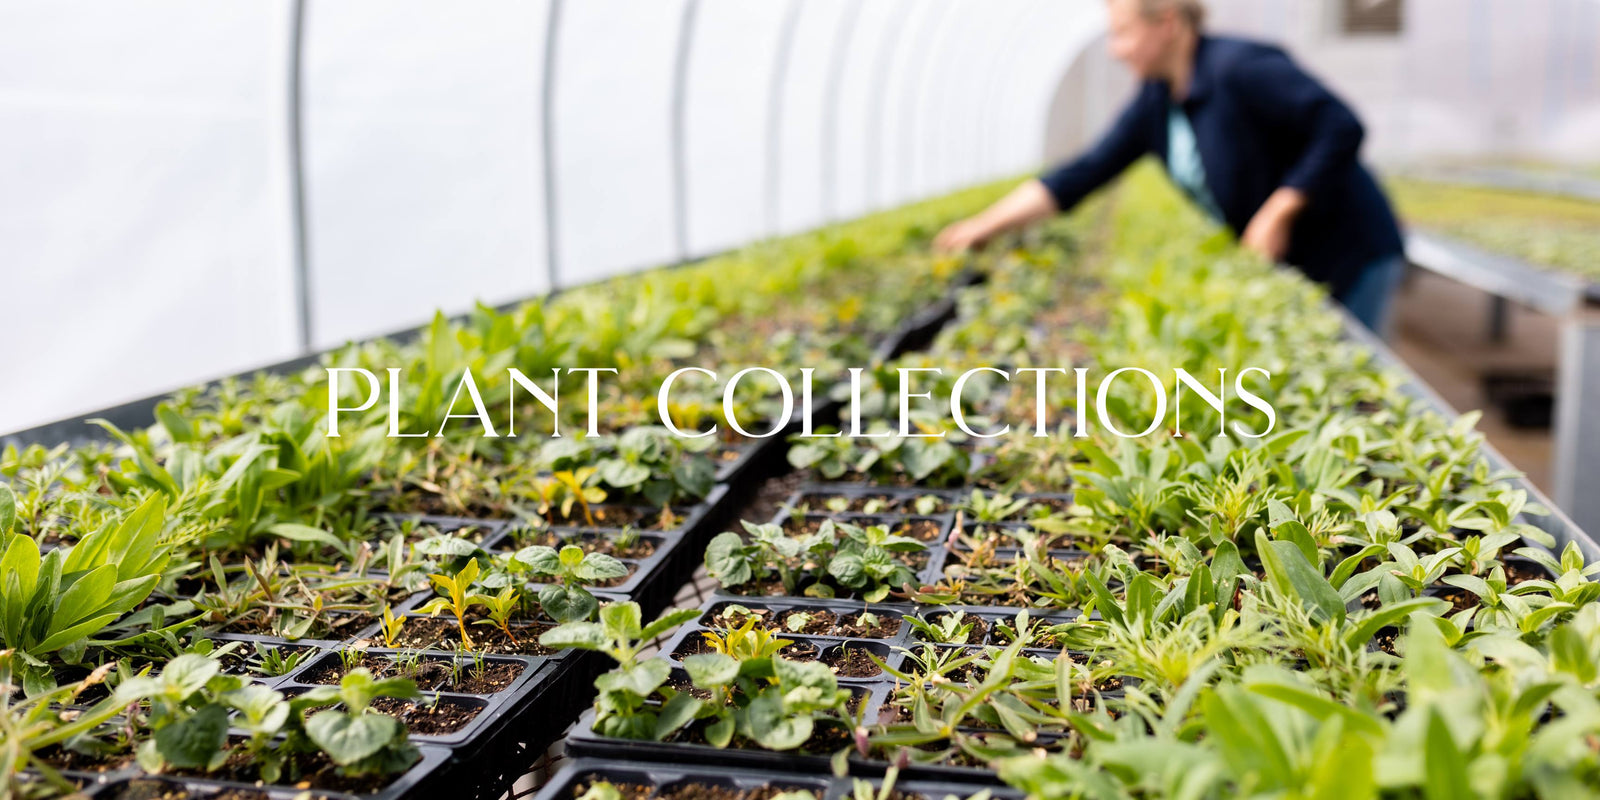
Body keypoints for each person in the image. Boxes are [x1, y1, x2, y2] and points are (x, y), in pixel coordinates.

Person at [934, 0, 1407, 338]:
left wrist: (1279, 211)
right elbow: (1082, 173)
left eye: (1122, 33)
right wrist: (984, 226)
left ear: (1167, 22)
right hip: (1299, 258)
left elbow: (1340, 125)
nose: (1115, 50)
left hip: (1352, 249)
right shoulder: (1156, 101)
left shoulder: (1239, 67)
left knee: (1355, 374)